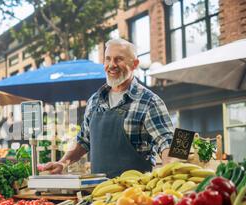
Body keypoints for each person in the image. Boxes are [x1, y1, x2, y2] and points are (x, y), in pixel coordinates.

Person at [42, 38, 174, 178]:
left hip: (135, 194)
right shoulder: (95, 101)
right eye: (108, 59)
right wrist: (63, 162)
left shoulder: (149, 101)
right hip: (97, 192)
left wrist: (169, 173)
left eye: (119, 59)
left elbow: (168, 142)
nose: (112, 65)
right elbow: (84, 141)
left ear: (135, 64)